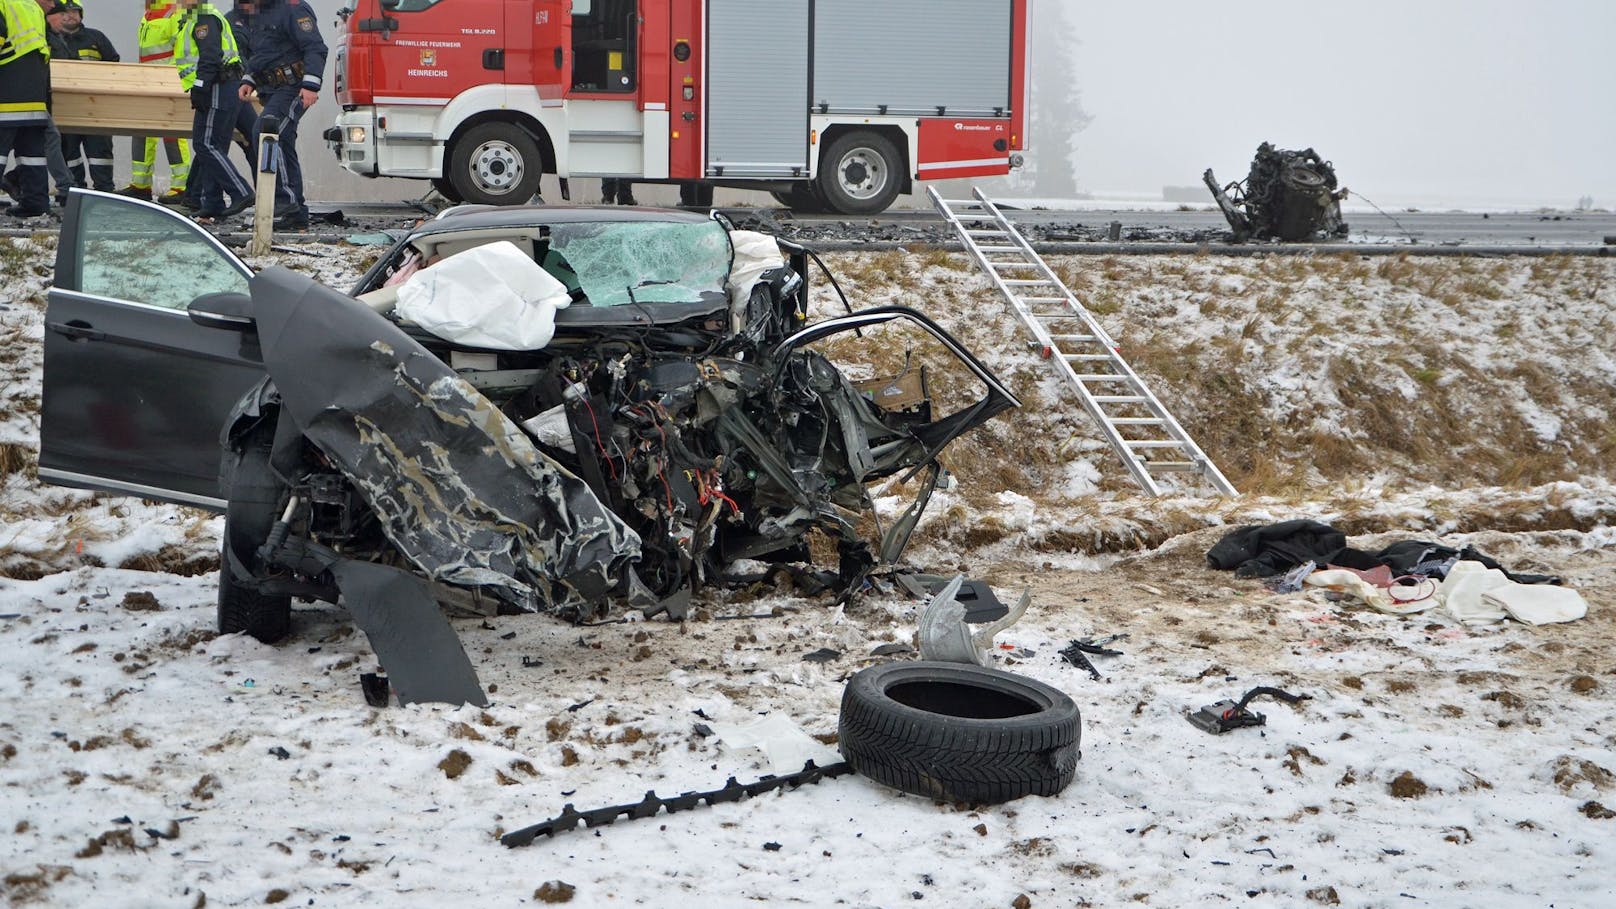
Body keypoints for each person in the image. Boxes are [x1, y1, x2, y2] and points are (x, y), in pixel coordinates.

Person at [234, 0, 325, 230]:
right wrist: (249, 78)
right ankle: (296, 214)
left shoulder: (294, 8)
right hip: (272, 90)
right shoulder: (260, 14)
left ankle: (284, 200)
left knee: (267, 129)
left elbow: (315, 47)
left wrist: (311, 85)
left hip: (294, 87)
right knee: (282, 141)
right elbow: (262, 53)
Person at [172, 0, 250, 220]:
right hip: (218, 84)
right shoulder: (193, 18)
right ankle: (213, 202)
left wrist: (200, 86)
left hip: (218, 84)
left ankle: (241, 192)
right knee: (212, 144)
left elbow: (210, 55)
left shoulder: (203, 18)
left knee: (205, 143)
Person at [120, 0, 191, 205]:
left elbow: (183, 50)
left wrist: (173, 79)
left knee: (172, 135)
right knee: (141, 131)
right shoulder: (149, 14)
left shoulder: (175, 13)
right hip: (147, 81)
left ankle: (181, 187)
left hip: (168, 82)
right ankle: (140, 186)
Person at [48, 0, 118, 192]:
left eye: (75, 11)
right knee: (69, 154)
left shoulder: (96, 38)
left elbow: (114, 65)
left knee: (100, 154)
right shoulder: (51, 41)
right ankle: (73, 194)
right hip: (65, 109)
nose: (70, 15)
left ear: (81, 15)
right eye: (66, 12)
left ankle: (104, 193)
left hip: (96, 109)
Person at [0, 0, 52, 218]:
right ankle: (35, 204)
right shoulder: (29, 5)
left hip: (7, 97)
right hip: (34, 99)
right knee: (32, 157)